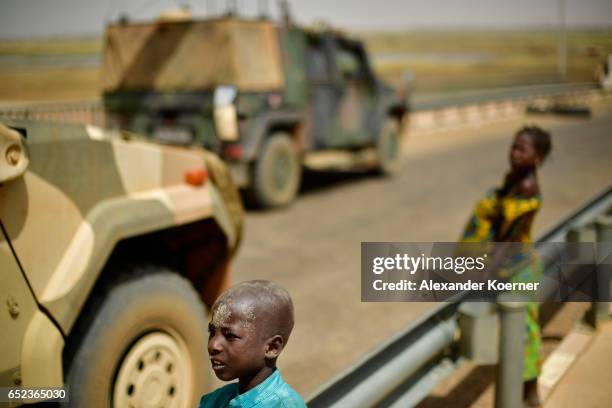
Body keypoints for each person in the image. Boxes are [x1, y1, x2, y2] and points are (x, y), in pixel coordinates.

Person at [460, 125, 552, 407]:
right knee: (514, 332)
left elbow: (508, 239)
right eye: (513, 146)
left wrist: (486, 272)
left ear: (537, 158)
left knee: (524, 332)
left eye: (522, 149)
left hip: (519, 268)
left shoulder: (527, 189)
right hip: (507, 263)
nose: (514, 153)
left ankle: (530, 394)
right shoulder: (514, 178)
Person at [200, 280, 306, 408]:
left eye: (230, 336)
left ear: (272, 348)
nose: (213, 345)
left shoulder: (283, 405)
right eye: (212, 332)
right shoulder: (217, 400)